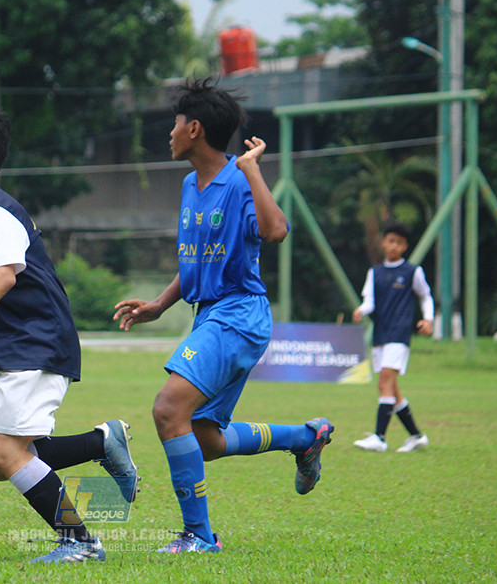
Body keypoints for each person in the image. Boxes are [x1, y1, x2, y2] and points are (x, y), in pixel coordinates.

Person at [0, 93, 139, 565]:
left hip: (35, 341)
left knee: (5, 449)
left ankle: (79, 542)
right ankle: (102, 442)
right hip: (16, 343)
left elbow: (3, 276)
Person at [112, 78, 334, 554]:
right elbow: (196, 259)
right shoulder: (190, 184)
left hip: (237, 313)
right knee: (205, 439)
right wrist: (159, 304)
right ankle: (305, 438)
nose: (170, 132)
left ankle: (198, 535)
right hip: (212, 315)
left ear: (194, 129)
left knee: (168, 409)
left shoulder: (237, 179)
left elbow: (276, 230)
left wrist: (252, 170)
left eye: (175, 123)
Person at [351, 221, 434, 453]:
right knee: (392, 389)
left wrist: (428, 319)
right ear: (383, 243)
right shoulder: (374, 273)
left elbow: (425, 295)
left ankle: (380, 438)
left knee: (384, 382)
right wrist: (361, 310)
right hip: (380, 335)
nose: (394, 246)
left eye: (399, 242)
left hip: (399, 334)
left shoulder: (412, 272)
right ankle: (417, 436)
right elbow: (369, 301)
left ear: (405, 246)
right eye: (391, 241)